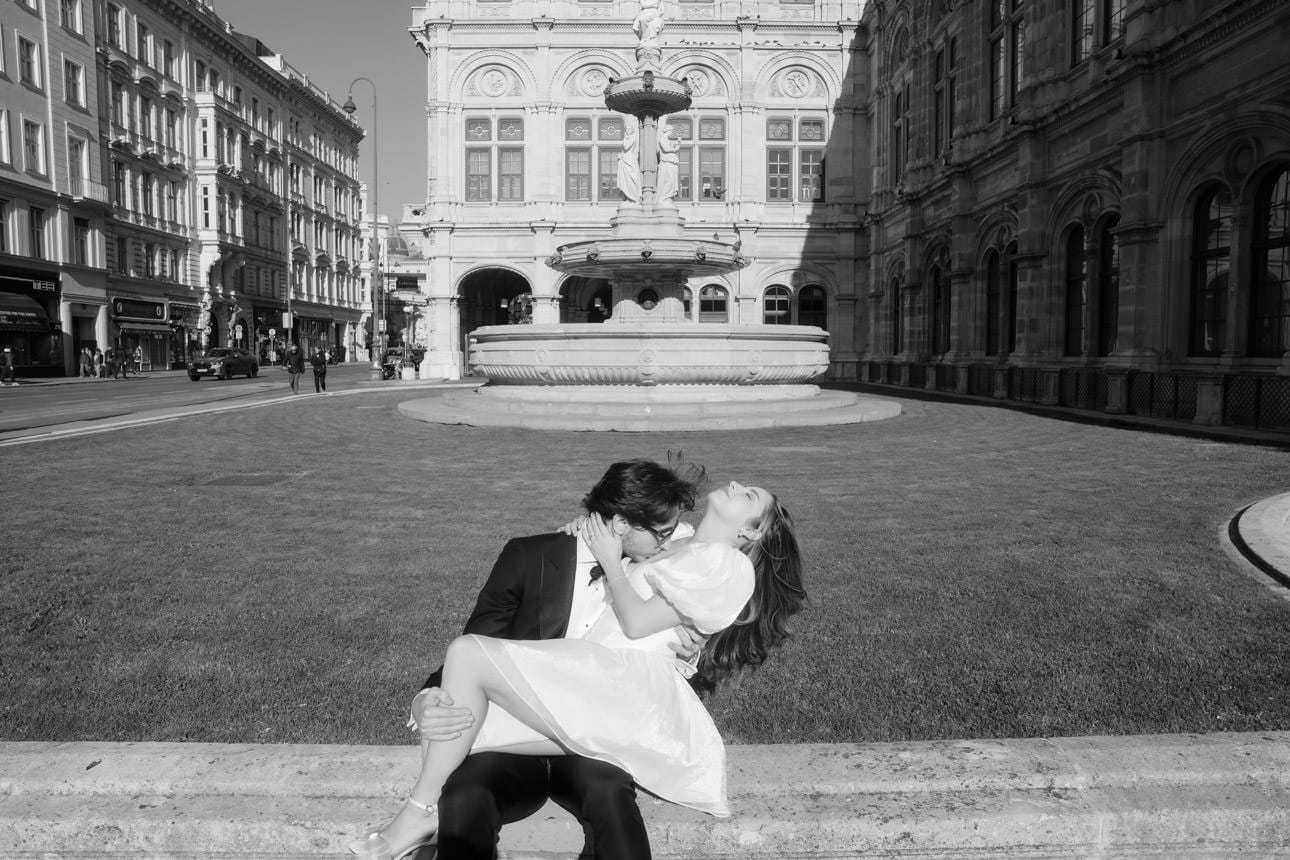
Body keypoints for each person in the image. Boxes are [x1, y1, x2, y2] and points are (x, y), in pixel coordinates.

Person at [353, 470, 805, 860]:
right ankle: (428, 815)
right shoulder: (679, 540)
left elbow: (636, 622)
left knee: (467, 652)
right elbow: (643, 542)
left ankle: (418, 812)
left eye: (749, 496)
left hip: (622, 688)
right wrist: (592, 531)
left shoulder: (726, 565)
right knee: (460, 728)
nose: (736, 484)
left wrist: (610, 560)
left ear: (752, 533)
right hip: (590, 685)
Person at [401, 460, 702, 860]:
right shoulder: (530, 555)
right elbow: (478, 641)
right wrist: (427, 696)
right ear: (619, 525)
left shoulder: (653, 576)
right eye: (660, 533)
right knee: (464, 796)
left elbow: (702, 538)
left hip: (590, 748)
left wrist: (692, 646)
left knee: (612, 797)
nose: (667, 541)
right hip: (510, 740)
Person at [656, 122, 680, 203]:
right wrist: (674, 149)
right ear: (668, 131)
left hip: (670, 162)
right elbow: (666, 149)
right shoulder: (662, 139)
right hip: (666, 162)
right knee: (668, 179)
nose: (672, 132)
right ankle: (663, 197)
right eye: (671, 131)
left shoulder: (668, 140)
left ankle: (667, 196)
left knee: (671, 180)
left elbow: (674, 149)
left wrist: (678, 144)